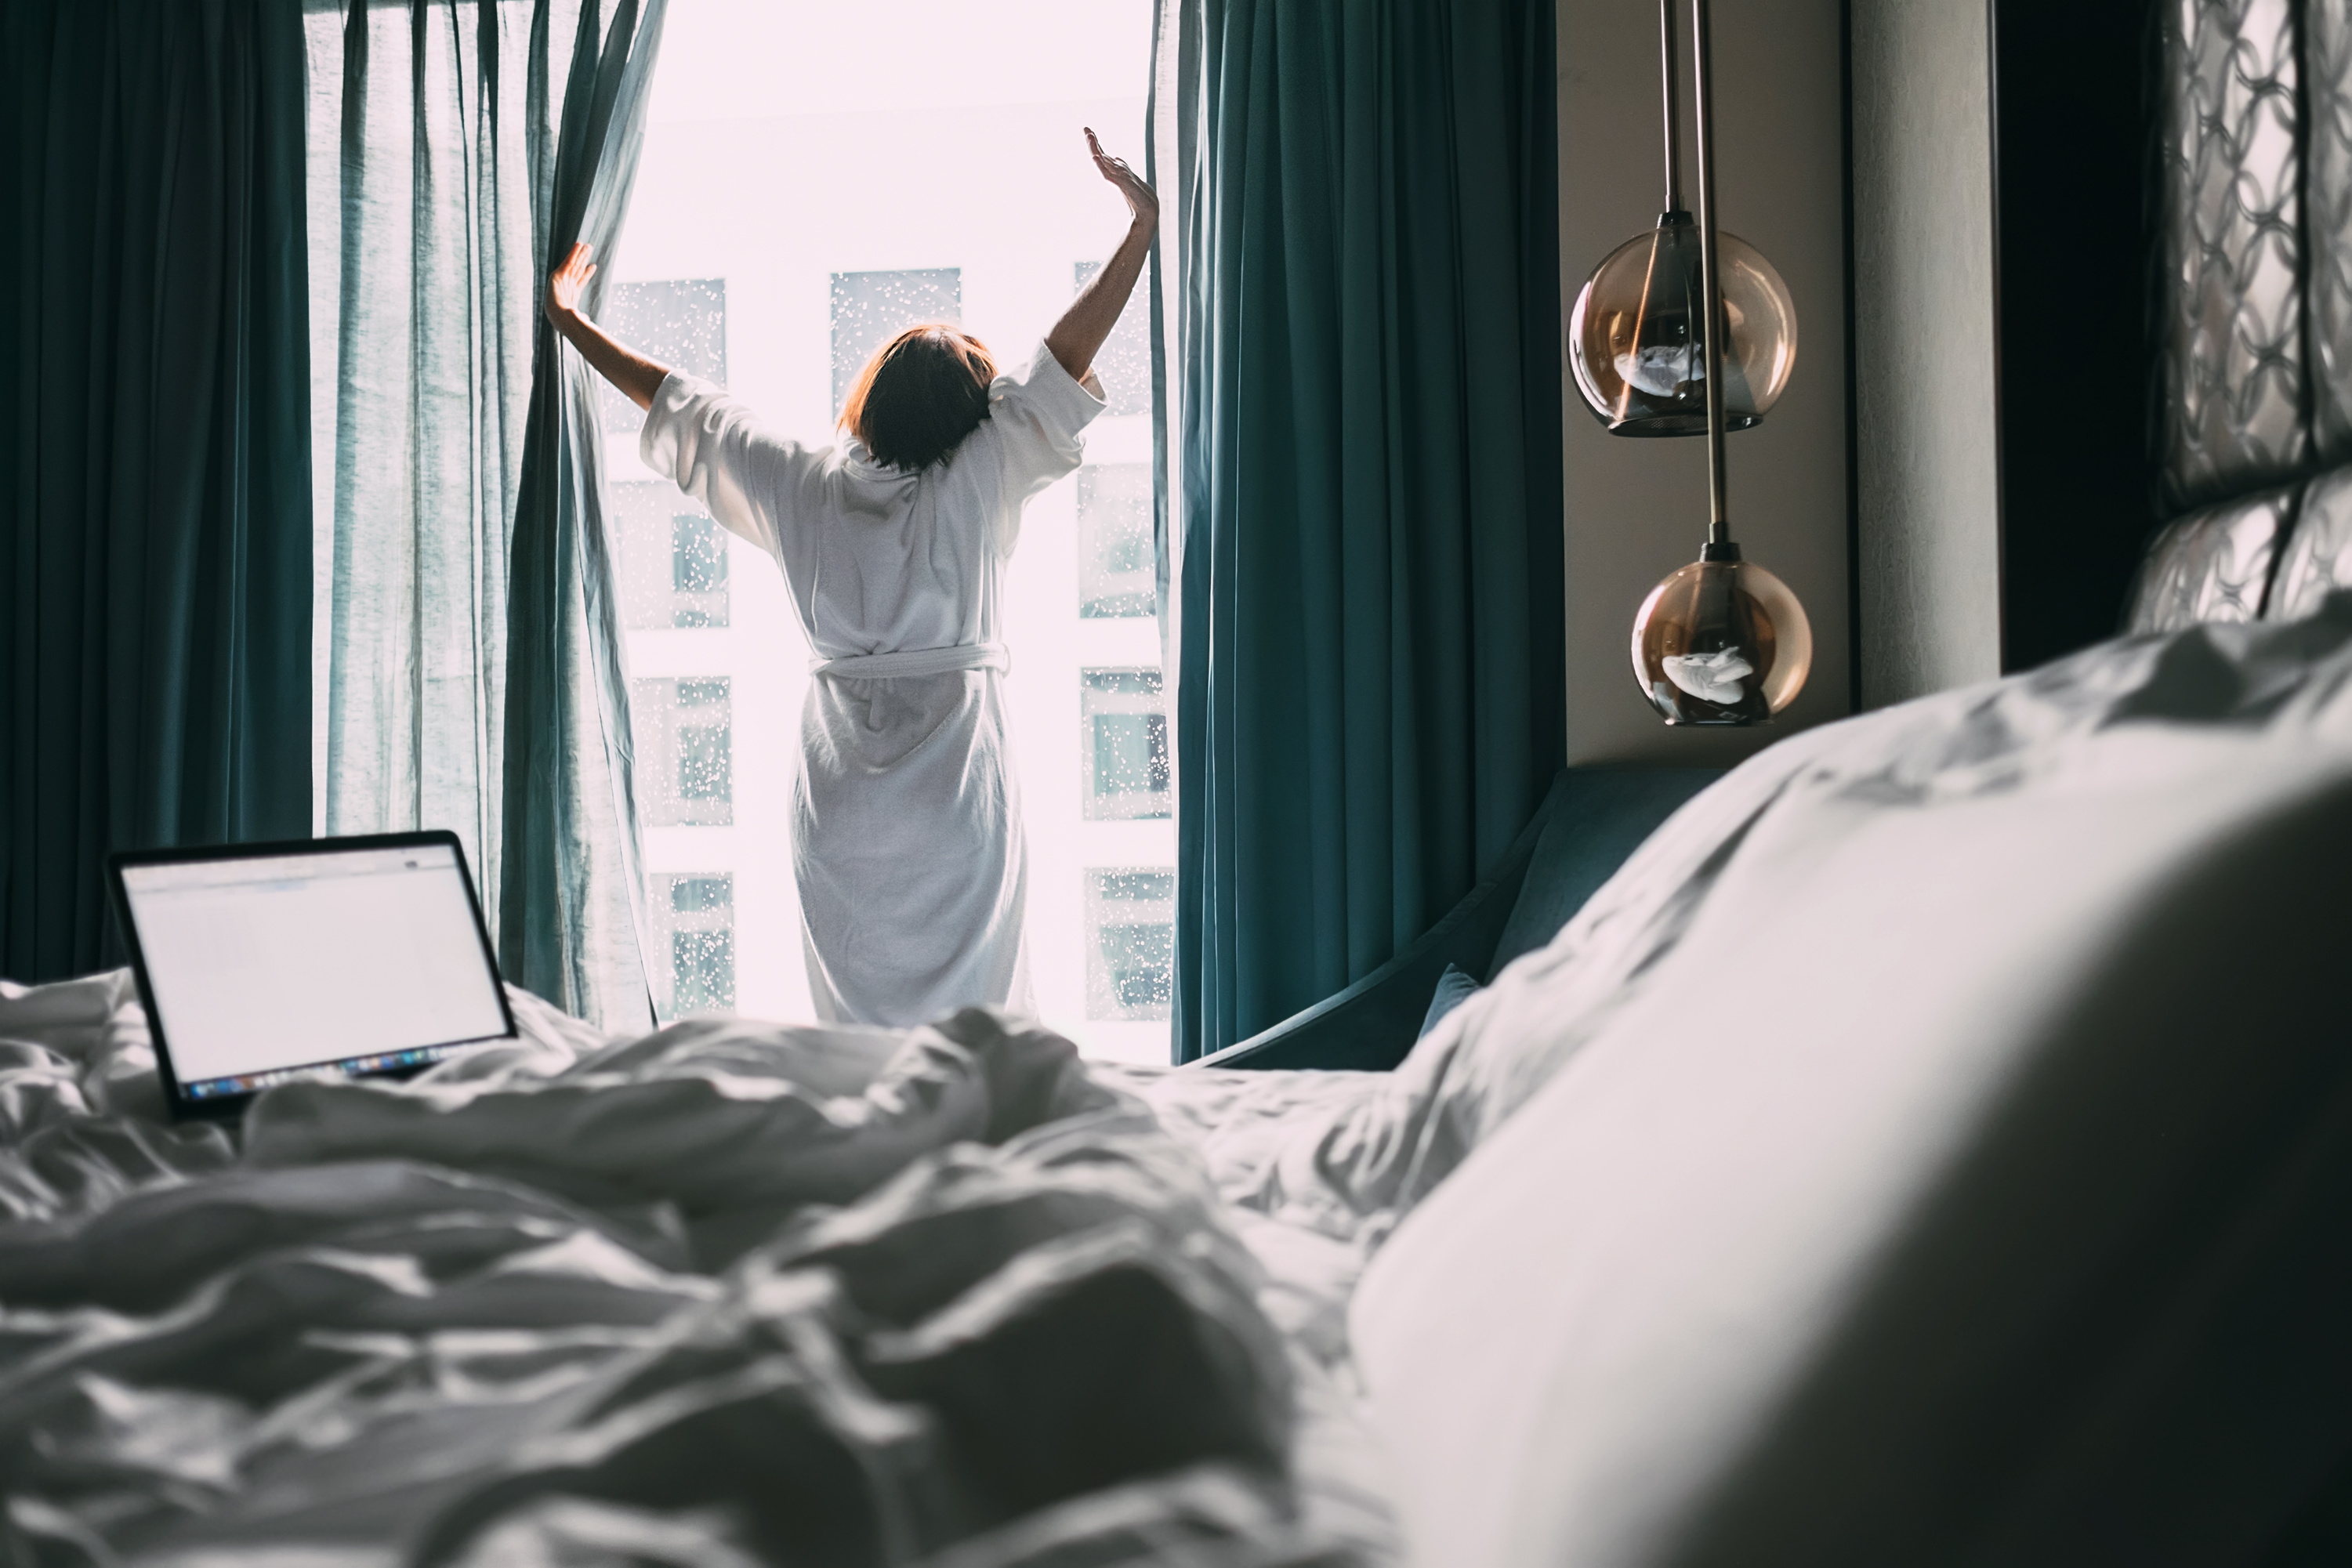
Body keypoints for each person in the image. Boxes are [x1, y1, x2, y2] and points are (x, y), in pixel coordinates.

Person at [544, 130, 1158, 1027]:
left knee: (856, 1024)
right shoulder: (978, 477)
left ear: (869, 398)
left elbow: (676, 398)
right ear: (971, 413)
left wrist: (570, 319)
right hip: (960, 794)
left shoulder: (802, 482)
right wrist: (1139, 230)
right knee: (974, 1018)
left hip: (840, 801)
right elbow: (1063, 356)